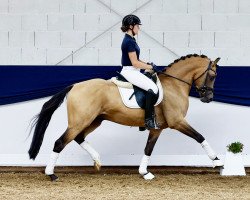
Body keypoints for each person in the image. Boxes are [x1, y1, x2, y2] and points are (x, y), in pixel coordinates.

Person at [120, 14, 162, 129]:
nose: (139, 28)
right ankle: (148, 120)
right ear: (130, 26)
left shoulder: (131, 40)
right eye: (137, 25)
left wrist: (148, 65)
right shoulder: (129, 42)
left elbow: (137, 60)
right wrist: (150, 68)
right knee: (153, 89)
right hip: (130, 71)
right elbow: (134, 63)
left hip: (133, 70)